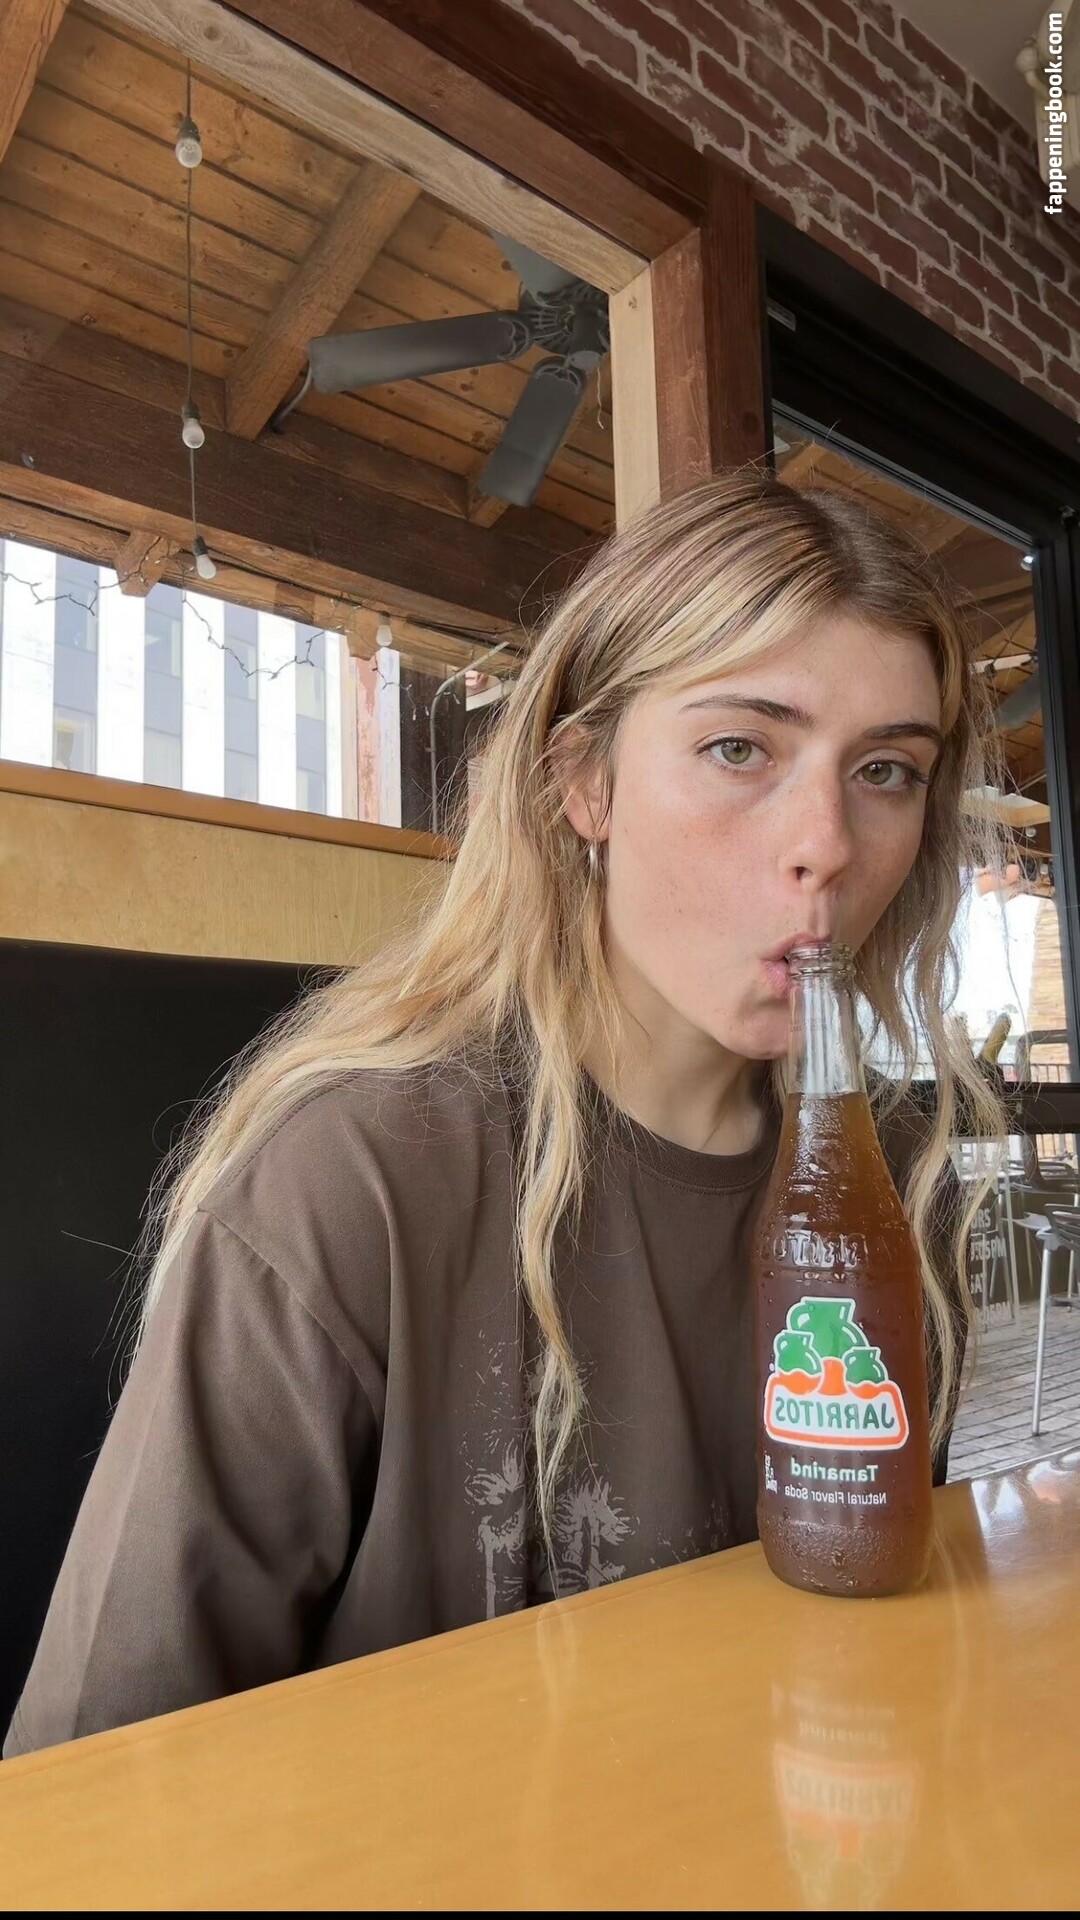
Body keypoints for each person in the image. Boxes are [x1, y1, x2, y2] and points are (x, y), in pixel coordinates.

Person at [5, 470, 1006, 1758]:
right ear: (586, 784)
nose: (828, 843)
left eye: (885, 771)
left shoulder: (899, 1187)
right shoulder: (351, 1184)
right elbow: (91, 1788)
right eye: (739, 748)